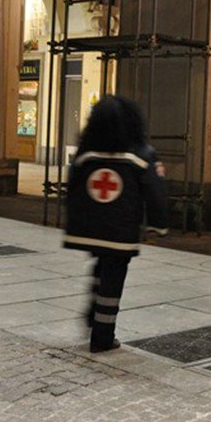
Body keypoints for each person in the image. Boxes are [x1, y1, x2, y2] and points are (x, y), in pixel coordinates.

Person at [63, 95, 169, 353]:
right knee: (113, 279)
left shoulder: (85, 154)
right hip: (120, 230)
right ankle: (102, 336)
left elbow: (72, 187)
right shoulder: (142, 155)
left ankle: (93, 308)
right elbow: (154, 193)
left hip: (89, 227)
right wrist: (159, 225)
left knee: (101, 264)